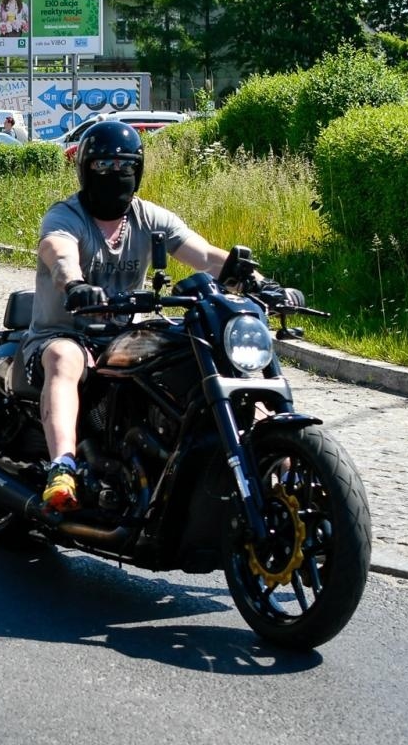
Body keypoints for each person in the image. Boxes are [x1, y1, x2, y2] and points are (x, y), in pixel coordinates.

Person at [21, 120, 297, 512]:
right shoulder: (66, 216)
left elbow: (205, 255)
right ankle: (62, 467)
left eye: (125, 165)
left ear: (138, 170)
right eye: (104, 165)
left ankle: (267, 461)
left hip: (124, 334)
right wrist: (74, 284)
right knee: (63, 358)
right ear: (85, 169)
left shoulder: (148, 218)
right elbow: (58, 251)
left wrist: (260, 282)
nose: (115, 173)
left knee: (190, 352)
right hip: (65, 333)